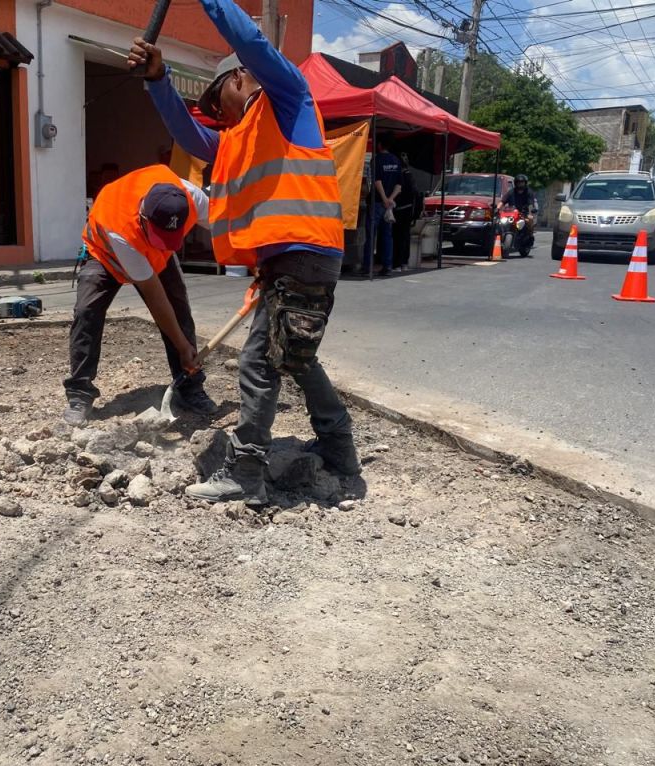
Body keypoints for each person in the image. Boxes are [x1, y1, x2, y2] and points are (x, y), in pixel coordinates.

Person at [128, 0, 359, 506]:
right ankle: (340, 448)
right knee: (294, 357)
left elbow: (253, 44)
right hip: (288, 260)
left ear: (238, 80)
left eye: (215, 103)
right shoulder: (237, 139)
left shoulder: (288, 100)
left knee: (258, 364)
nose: (214, 117)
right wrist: (158, 79)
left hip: (305, 252)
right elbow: (187, 134)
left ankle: (246, 470)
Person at [64, 165, 218, 426]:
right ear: (143, 217)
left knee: (179, 310)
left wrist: (262, 260)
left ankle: (190, 387)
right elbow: (156, 299)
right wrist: (183, 347)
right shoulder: (121, 226)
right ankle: (80, 393)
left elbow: (229, 227)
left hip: (150, 255)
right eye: (160, 236)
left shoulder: (190, 197)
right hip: (105, 254)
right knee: (87, 312)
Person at [373, 135, 402, 276]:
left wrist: (384, 198)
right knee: (387, 236)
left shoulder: (377, 159)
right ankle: (387, 266)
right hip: (389, 204)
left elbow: (377, 181)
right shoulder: (396, 161)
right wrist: (390, 199)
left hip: (378, 202)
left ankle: (367, 266)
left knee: (371, 235)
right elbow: (399, 185)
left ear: (379, 144)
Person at [498, 173, 538, 253]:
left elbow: (531, 204)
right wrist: (497, 208)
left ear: (525, 183)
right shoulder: (511, 192)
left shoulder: (529, 192)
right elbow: (503, 201)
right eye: (519, 182)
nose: (520, 184)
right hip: (512, 213)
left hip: (524, 213)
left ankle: (530, 236)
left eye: (522, 182)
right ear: (516, 183)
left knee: (529, 220)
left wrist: (530, 213)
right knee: (500, 222)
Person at [392, 152, 419, 271]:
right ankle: (404, 262)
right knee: (405, 236)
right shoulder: (410, 176)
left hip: (399, 209)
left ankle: (397, 263)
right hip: (408, 209)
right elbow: (416, 194)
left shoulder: (401, 176)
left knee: (397, 237)